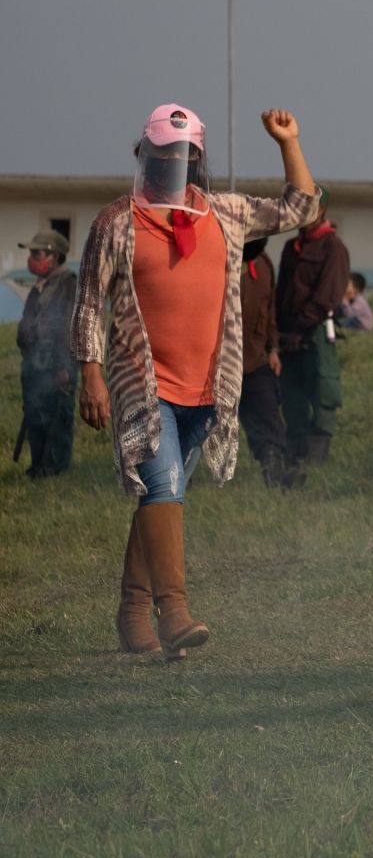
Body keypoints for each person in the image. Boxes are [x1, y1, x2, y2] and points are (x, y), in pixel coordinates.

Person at [73, 105, 319, 659]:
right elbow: (89, 301)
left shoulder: (223, 214)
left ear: (198, 161)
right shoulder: (117, 221)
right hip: (143, 382)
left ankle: (133, 610)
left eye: (181, 157)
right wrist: (91, 374)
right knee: (162, 487)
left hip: (208, 384)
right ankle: (174, 612)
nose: (170, 167)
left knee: (166, 493)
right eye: (159, 157)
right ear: (144, 157)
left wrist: (289, 142)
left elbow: (301, 207)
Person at [277, 188, 349, 465]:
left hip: (316, 331)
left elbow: (327, 296)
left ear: (322, 211)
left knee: (322, 395)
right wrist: (280, 332)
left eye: (309, 208)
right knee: (292, 398)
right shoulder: (290, 248)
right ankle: (295, 462)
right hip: (288, 335)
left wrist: (300, 328)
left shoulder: (333, 247)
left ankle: (317, 463)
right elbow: (281, 292)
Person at [238, 236, 301, 489]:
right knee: (198, 427)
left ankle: (276, 475)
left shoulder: (264, 264)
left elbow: (269, 311)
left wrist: (272, 348)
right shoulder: (213, 262)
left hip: (255, 358)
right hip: (214, 365)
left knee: (267, 416)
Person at [15, 229, 78, 478]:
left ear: (55, 256)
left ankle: (55, 469)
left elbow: (68, 329)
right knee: (35, 415)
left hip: (57, 365)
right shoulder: (40, 287)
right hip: (34, 364)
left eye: (37, 253)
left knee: (57, 418)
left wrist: (65, 367)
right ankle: (38, 466)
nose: (32, 258)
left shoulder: (69, 285)